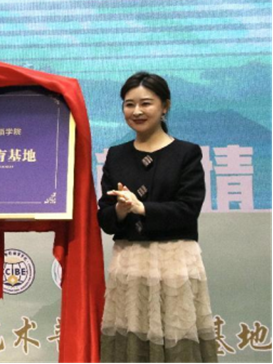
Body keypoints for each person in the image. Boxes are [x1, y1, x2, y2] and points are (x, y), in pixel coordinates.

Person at [98, 72, 218, 362]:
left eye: (146, 103)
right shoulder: (116, 155)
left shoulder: (186, 153)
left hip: (174, 261)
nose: (137, 111)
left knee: (178, 345)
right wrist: (120, 211)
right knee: (130, 345)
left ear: (165, 106)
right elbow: (104, 217)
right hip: (130, 262)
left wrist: (142, 208)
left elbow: (188, 210)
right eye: (129, 104)